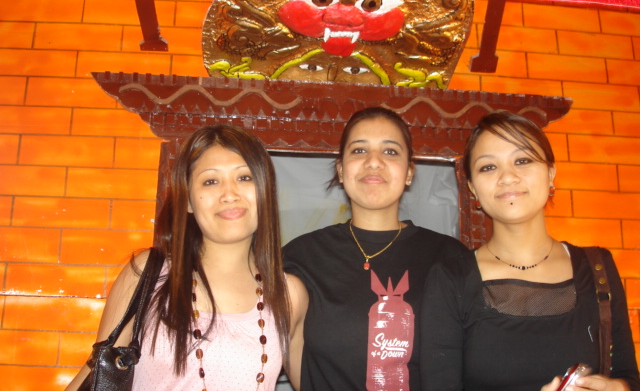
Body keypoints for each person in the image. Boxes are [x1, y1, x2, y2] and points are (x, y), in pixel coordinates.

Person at [65, 125, 308, 391]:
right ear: (189, 201)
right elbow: (96, 375)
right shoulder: (150, 273)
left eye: (244, 177)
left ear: (266, 193)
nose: (230, 194)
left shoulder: (290, 295)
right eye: (211, 181)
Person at [420, 111, 640, 391]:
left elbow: (628, 377)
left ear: (551, 173)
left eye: (522, 160)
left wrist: (617, 388)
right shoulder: (450, 278)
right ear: (473, 189)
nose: (508, 177)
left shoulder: (598, 268)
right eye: (489, 167)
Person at [283, 106, 468, 390]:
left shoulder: (450, 257)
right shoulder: (300, 256)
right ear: (341, 170)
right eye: (359, 150)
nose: (373, 161)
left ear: (409, 172)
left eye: (390, 151)